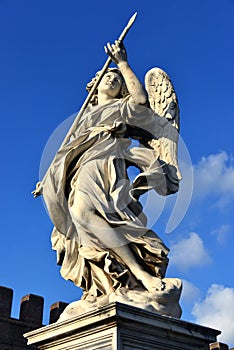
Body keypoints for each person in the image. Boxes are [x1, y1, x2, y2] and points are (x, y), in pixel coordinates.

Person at [36, 41, 181, 307]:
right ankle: (108, 282)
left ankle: (140, 275)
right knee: (82, 220)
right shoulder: (84, 116)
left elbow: (140, 100)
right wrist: (50, 179)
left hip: (105, 164)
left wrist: (123, 63)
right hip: (80, 169)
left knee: (84, 213)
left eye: (117, 77)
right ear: (94, 87)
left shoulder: (121, 107)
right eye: (108, 75)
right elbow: (66, 151)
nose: (113, 78)